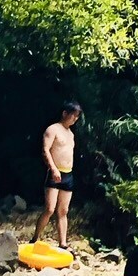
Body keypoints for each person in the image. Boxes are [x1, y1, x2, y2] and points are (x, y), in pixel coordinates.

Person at [33, 100, 82, 249]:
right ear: (65, 113)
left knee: (63, 210)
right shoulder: (52, 129)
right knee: (49, 209)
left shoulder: (71, 134)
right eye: (73, 115)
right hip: (55, 171)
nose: (75, 118)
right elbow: (45, 150)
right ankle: (35, 237)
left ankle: (63, 243)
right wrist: (53, 168)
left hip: (68, 174)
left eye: (77, 116)